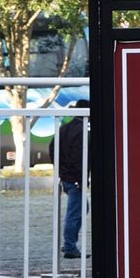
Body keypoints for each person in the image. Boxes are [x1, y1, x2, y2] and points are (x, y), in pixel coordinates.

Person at [55, 99, 88, 261]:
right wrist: (82, 178)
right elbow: (79, 157)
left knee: (82, 208)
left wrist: (61, 170)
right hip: (76, 178)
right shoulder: (81, 131)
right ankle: (69, 246)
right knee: (75, 212)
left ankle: (70, 244)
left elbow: (52, 148)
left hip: (67, 176)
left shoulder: (64, 129)